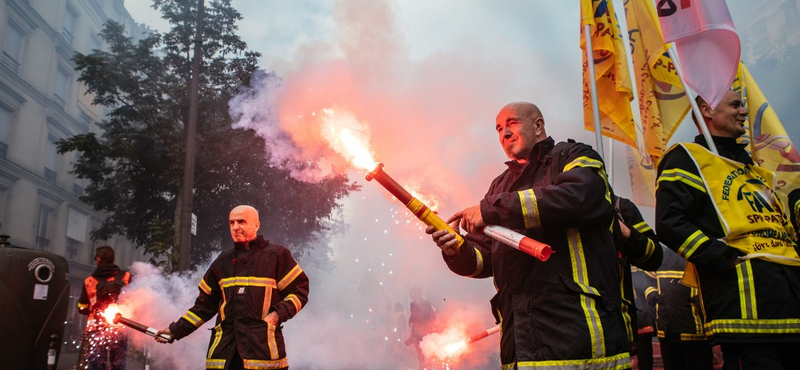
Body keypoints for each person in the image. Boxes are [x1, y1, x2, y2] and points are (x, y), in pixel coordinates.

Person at [428, 102, 631, 368]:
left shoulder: (574, 155)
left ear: (538, 126)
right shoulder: (499, 186)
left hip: (578, 340)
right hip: (520, 348)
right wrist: (457, 250)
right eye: (499, 129)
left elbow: (580, 198)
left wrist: (491, 209)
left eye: (511, 123)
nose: (504, 133)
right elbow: (485, 258)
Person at [655, 91, 800, 369]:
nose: (744, 112)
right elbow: (670, 223)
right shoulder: (687, 158)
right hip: (746, 310)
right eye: (735, 105)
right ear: (707, 111)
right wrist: (723, 258)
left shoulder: (760, 172)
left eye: (742, 105)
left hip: (791, 301)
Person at [155, 205, 309, 370]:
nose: (235, 227)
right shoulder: (223, 261)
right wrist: (175, 330)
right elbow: (203, 306)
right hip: (224, 357)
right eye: (232, 223)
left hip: (262, 356)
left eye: (241, 221)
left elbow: (299, 290)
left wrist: (278, 313)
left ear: (256, 225)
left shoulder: (276, 255)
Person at [614, 195, 663, 359]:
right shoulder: (546, 204)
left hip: (617, 329)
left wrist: (626, 233)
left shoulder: (620, 207)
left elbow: (654, 255)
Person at [653, 247, 713, 370]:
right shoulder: (660, 255)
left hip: (693, 332)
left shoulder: (698, 254)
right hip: (667, 330)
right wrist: (651, 294)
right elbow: (645, 280)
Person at [77, 245, 132, 370]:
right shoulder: (126, 277)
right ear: (114, 258)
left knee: (96, 365)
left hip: (95, 329)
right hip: (119, 328)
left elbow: (82, 307)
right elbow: (135, 300)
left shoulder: (89, 281)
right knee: (118, 364)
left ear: (98, 259)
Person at [405, 287, 436, 369]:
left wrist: (427, 325)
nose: (410, 294)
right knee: (420, 356)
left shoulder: (426, 304)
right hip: (416, 333)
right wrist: (411, 324)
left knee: (427, 354)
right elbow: (412, 317)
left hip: (426, 332)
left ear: (417, 293)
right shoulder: (412, 304)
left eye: (412, 292)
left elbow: (432, 317)